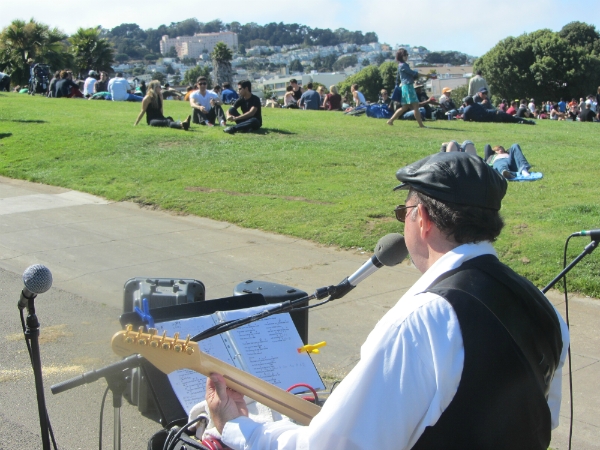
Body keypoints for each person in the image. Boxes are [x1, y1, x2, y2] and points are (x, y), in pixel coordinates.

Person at [206, 151, 569, 450]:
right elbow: (542, 421)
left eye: (403, 212)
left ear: (422, 219)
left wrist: (240, 429)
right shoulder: (544, 307)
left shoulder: (422, 320)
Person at [387, 48, 425, 127]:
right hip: (408, 87)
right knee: (415, 106)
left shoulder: (402, 65)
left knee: (405, 107)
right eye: (405, 55)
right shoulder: (403, 65)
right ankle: (421, 125)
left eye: (407, 55)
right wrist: (425, 75)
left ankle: (390, 120)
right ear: (401, 56)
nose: (406, 56)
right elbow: (412, 73)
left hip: (406, 87)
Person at [462, 96, 535, 124]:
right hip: (495, 113)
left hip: (494, 117)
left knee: (512, 120)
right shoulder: (477, 104)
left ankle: (526, 122)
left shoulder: (467, 109)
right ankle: (528, 122)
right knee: (513, 118)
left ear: (466, 103)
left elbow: (466, 119)